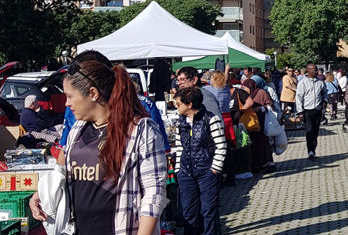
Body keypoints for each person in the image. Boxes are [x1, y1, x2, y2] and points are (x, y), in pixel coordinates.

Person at [29, 51, 167, 235]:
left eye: (70, 97)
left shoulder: (141, 129)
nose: (66, 104)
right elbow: (64, 171)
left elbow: (154, 193)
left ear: (93, 93)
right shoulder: (77, 129)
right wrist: (43, 195)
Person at [170, 87, 227, 235]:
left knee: (208, 211)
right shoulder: (181, 123)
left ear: (189, 104)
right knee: (189, 212)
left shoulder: (211, 119)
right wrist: (178, 170)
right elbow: (179, 147)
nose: (177, 107)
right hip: (186, 173)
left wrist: (214, 169)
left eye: (178, 104)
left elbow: (221, 146)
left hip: (206, 172)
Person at [241, 79, 275, 173]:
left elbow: (270, 105)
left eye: (245, 87)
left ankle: (267, 163)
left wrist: (260, 109)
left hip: (262, 121)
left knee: (263, 144)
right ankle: (256, 165)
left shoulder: (261, 92)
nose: (244, 89)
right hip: (251, 123)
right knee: (254, 145)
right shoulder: (245, 95)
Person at [295, 64, 327, 161]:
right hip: (307, 111)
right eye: (314, 70)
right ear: (308, 71)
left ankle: (313, 148)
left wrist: (324, 101)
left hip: (317, 110)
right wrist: (300, 112)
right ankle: (310, 151)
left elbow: (325, 92)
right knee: (309, 131)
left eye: (316, 70)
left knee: (316, 131)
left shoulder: (320, 82)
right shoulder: (302, 83)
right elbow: (298, 97)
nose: (316, 72)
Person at [228, 85, 254, 180]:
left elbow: (250, 102)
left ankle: (245, 170)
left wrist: (241, 110)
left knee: (243, 147)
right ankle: (238, 169)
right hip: (231, 124)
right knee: (235, 148)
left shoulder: (239, 92)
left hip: (241, 124)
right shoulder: (223, 93)